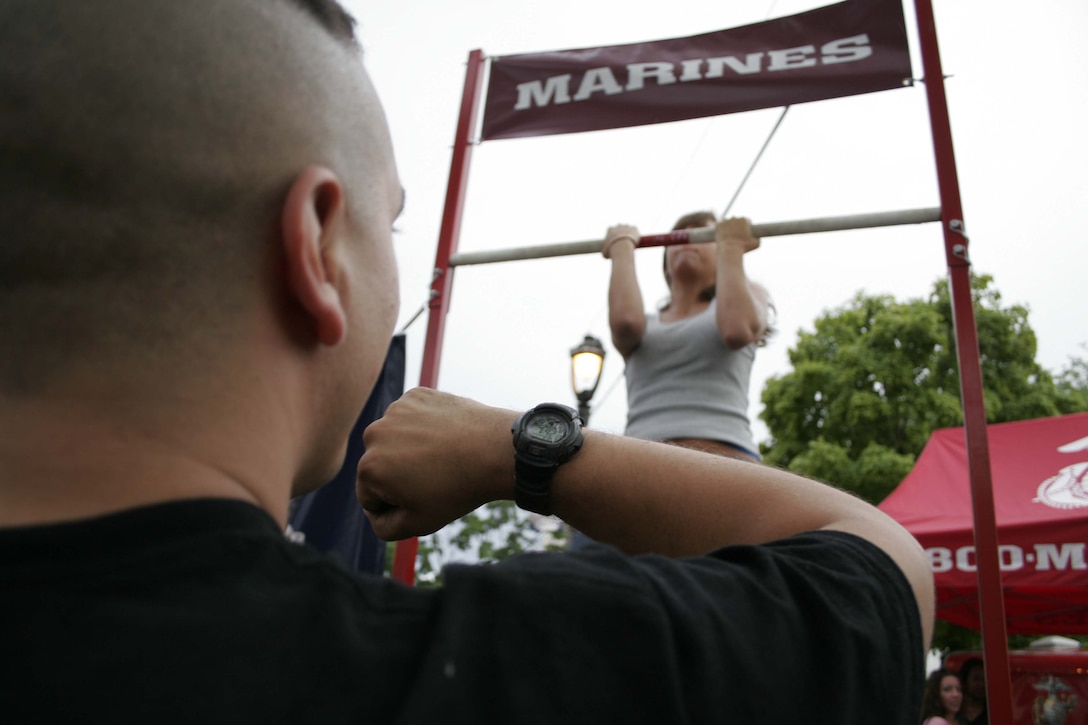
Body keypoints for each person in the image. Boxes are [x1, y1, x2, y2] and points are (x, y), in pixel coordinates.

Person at [0, 0, 933, 722]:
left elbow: (734, 329)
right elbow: (885, 568)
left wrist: (727, 250)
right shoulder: (505, 669)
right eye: (390, 221)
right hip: (644, 463)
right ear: (320, 250)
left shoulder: (734, 302)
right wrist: (520, 448)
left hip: (714, 458)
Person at [602, 211, 772, 462]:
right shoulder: (642, 324)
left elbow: (737, 330)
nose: (687, 240)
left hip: (726, 460)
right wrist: (621, 249)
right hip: (641, 460)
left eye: (702, 233)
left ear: (722, 253)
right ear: (666, 263)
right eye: (679, 235)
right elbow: (624, 323)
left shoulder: (746, 298)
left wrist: (732, 245)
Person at [957, 658, 989, 725]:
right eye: (976, 679)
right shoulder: (954, 711)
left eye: (984, 680)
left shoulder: (991, 713)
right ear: (964, 681)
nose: (981, 684)